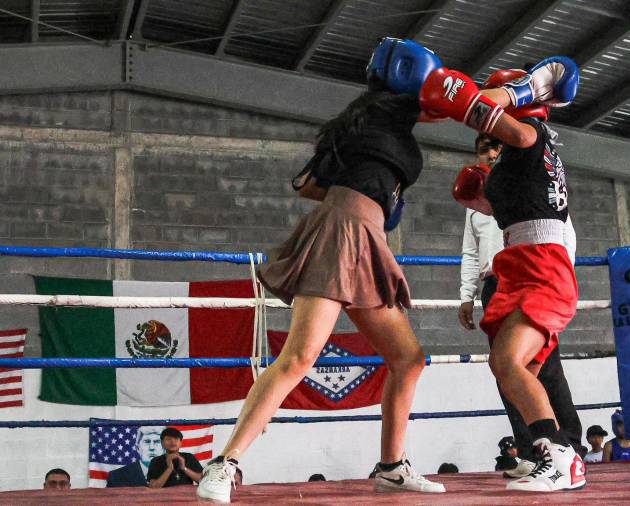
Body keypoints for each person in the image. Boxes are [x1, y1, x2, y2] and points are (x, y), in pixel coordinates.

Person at [197, 38, 447, 502]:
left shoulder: (362, 119)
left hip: (364, 238)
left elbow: (309, 186)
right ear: (412, 80)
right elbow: (450, 103)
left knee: (408, 358)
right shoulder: (385, 113)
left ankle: (392, 467)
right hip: (342, 236)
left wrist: (371, 192)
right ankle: (223, 464)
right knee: (298, 358)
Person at [421, 56, 585, 492]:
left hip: (542, 267)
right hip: (519, 265)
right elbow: (508, 212)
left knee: (509, 363)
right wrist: (478, 199)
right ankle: (550, 454)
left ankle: (563, 456)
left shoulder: (529, 135)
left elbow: (482, 109)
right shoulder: (519, 155)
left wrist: (455, 100)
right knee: (513, 367)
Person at [458, 132, 584, 480]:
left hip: (543, 273)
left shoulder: (530, 175)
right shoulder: (493, 192)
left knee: (531, 367)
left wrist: (562, 281)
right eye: (484, 149)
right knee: (510, 370)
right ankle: (538, 452)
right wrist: (466, 295)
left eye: (497, 146)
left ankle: (567, 450)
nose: (491, 153)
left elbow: (561, 226)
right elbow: (470, 252)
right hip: (504, 281)